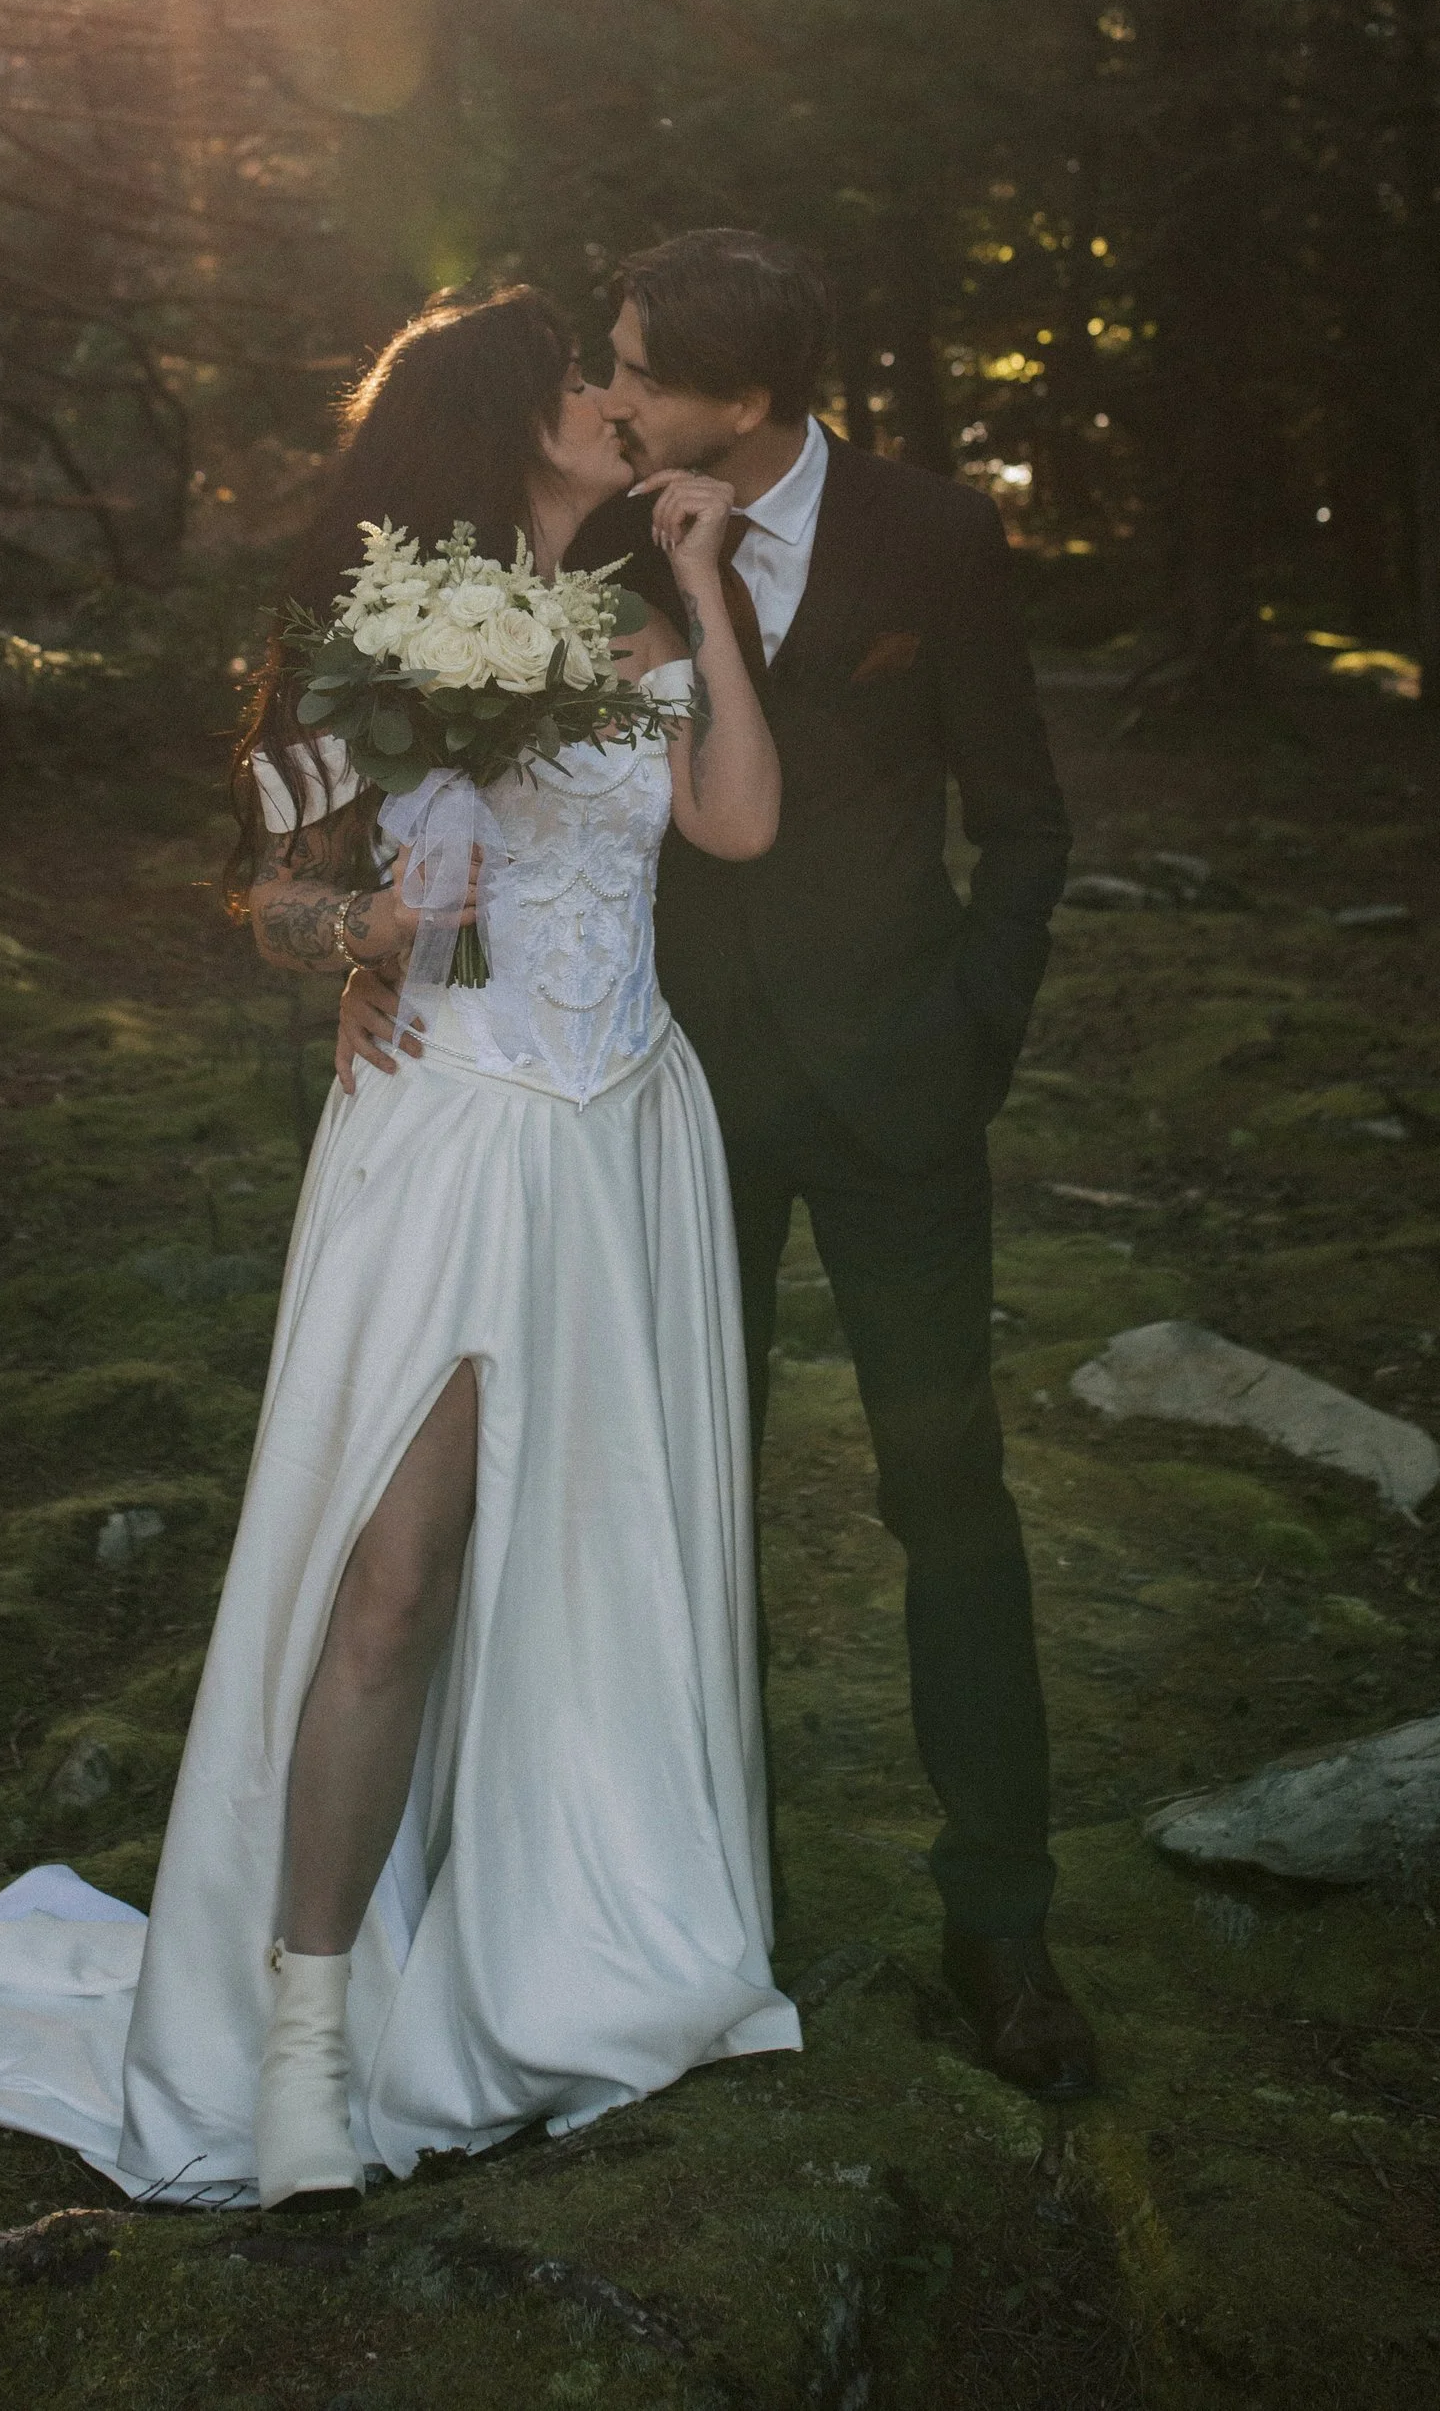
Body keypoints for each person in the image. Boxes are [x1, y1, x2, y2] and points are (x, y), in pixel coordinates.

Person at [342, 231, 1092, 2100]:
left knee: (951, 1494)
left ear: (743, 401)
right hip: (668, 1102)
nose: (608, 392)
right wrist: (375, 952)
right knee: (675, 1498)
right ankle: (700, 1908)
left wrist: (972, 1034)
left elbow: (1023, 817)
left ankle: (1003, 1927)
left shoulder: (937, 535)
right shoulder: (586, 537)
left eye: (638, 369)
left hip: (902, 1093)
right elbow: (448, 784)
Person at [89, 286, 794, 2207]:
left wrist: (706, 587)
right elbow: (275, 897)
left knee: (594, 1555)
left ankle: (560, 1942)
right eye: (581, 378)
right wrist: (369, 938)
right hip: (454, 1125)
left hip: (625, 1126)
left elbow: (737, 824)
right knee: (391, 1577)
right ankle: (303, 2039)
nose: (616, 400)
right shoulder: (385, 627)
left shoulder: (644, 613)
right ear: (496, 414)